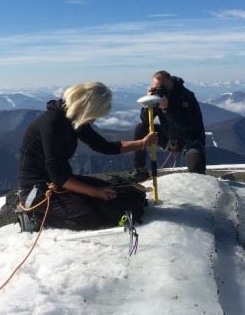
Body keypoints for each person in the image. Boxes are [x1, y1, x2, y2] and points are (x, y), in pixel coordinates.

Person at [18, 81, 157, 231]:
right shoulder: (51, 123)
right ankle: (34, 217)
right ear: (87, 108)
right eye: (95, 114)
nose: (95, 119)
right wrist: (95, 192)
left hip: (59, 182)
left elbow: (104, 146)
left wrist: (143, 143)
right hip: (36, 191)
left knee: (127, 195)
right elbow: (58, 175)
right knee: (93, 215)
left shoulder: (73, 119)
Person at [131, 70, 206, 181]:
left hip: (191, 140)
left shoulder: (186, 96)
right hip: (169, 136)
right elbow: (145, 121)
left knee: (196, 169)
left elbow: (187, 127)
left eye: (163, 86)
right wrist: (149, 104)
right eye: (157, 86)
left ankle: (202, 186)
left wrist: (167, 109)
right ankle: (140, 169)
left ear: (170, 83)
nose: (160, 89)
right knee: (141, 128)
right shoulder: (159, 96)